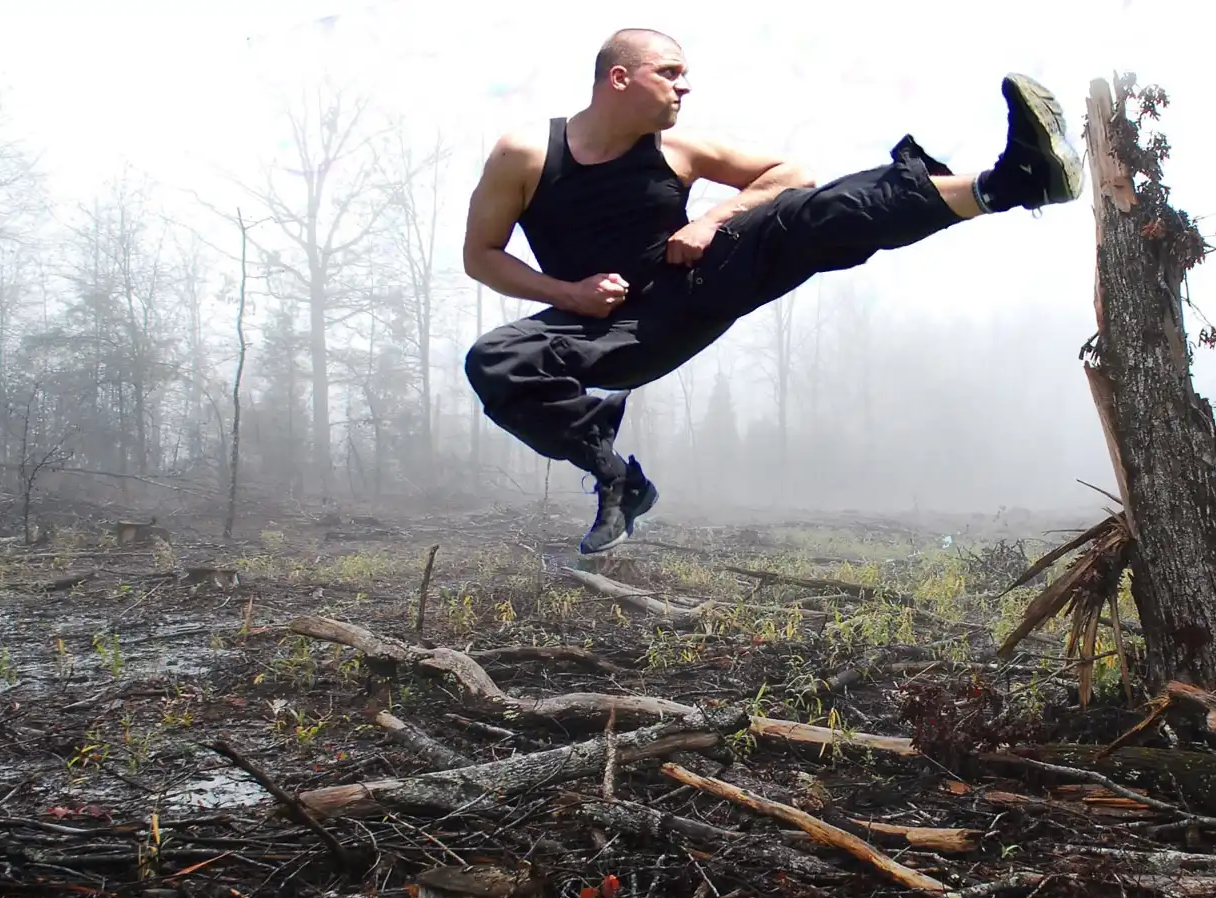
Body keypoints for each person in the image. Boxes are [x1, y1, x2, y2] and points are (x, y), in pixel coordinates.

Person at [462, 28, 1083, 555]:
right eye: (670, 73)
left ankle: (1013, 183)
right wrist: (567, 294)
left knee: (807, 215)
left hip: (698, 282)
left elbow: (790, 173)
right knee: (495, 361)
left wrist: (708, 221)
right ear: (620, 79)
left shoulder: (678, 147)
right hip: (609, 327)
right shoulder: (525, 154)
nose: (684, 86)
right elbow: (480, 257)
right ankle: (617, 480)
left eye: (686, 75)